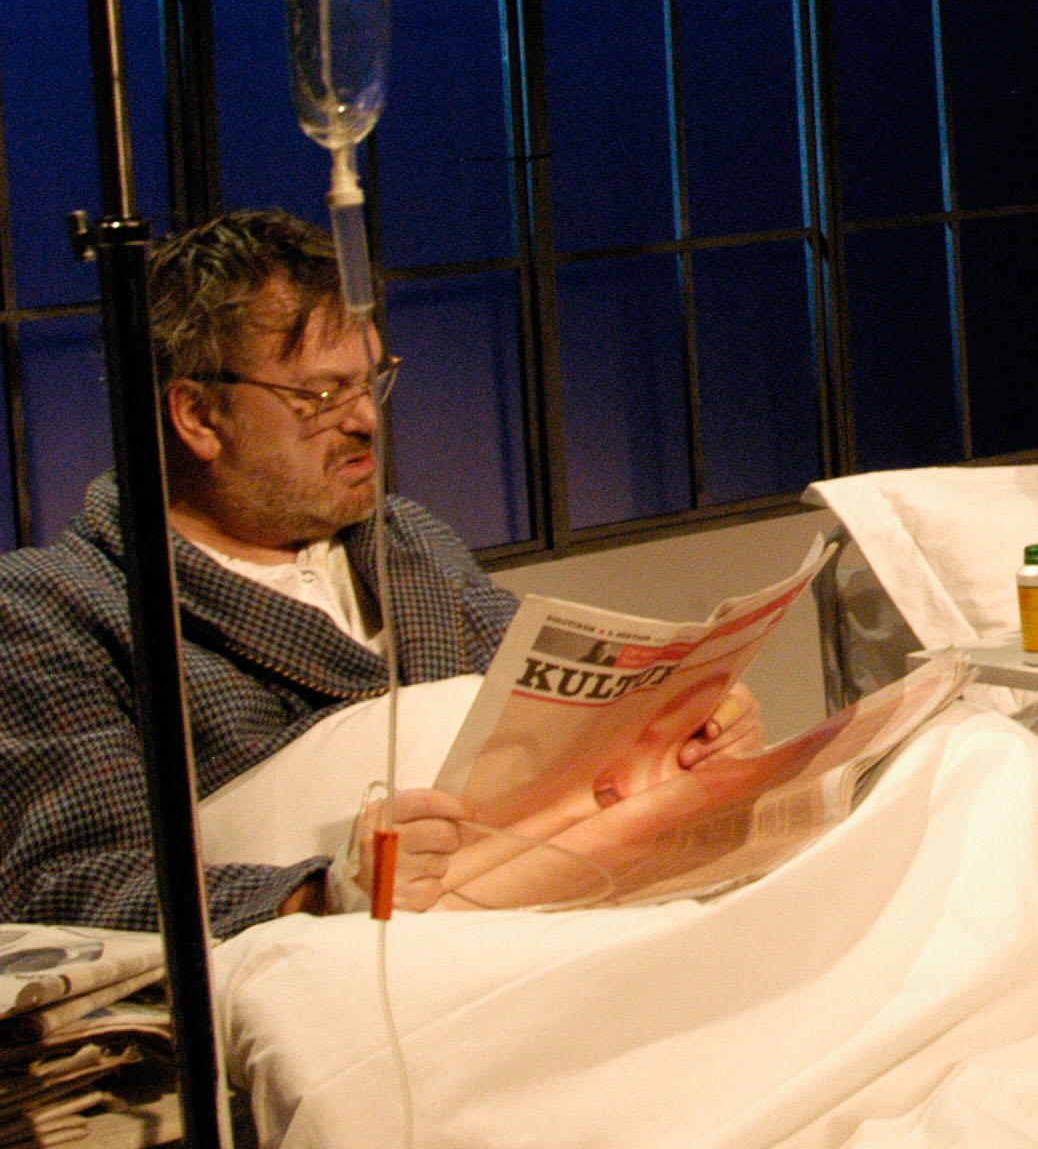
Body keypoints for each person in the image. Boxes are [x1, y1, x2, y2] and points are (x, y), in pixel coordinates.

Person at [0, 210, 753, 933]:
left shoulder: (407, 542)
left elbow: (551, 725)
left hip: (552, 912)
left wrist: (677, 727)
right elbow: (67, 880)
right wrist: (319, 893)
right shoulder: (63, 607)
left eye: (370, 382)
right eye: (323, 393)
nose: (365, 419)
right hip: (341, 974)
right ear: (198, 416)